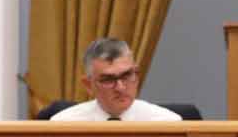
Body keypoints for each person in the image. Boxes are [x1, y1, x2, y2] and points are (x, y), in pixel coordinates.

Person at [49, 38, 181, 122]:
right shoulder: (64, 125)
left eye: (127, 75)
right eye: (108, 80)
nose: (120, 87)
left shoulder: (167, 123)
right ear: (88, 85)